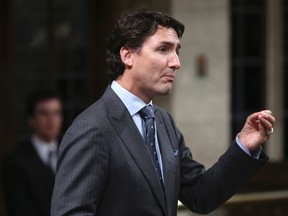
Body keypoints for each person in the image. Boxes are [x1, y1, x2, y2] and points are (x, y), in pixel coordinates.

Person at [51, 9, 275, 216]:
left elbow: (201, 195)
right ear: (127, 55)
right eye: (163, 49)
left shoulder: (162, 121)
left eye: (177, 51)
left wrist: (244, 146)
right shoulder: (92, 127)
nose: (176, 63)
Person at [2, 89, 63, 216]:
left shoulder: (71, 151)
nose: (51, 120)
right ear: (31, 119)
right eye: (44, 113)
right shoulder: (15, 162)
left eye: (56, 113)